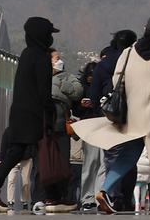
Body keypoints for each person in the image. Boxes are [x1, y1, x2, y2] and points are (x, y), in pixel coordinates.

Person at [73, 15, 150, 214]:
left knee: (126, 157)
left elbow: (116, 80)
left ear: (145, 30)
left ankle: (105, 190)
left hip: (133, 116)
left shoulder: (128, 53)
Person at [0, 17, 75, 214]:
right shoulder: (41, 57)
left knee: (15, 153)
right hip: (36, 115)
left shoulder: (25, 54)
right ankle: (54, 198)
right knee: (45, 154)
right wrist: (49, 113)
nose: (50, 38)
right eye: (49, 33)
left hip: (19, 114)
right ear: (42, 34)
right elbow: (43, 91)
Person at [85, 32, 138, 212]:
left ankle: (112, 195)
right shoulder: (135, 62)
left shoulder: (103, 64)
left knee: (110, 156)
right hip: (130, 116)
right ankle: (126, 198)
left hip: (108, 115)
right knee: (129, 156)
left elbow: (94, 93)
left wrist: (99, 112)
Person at [47, 51, 82, 207]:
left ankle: (61, 195)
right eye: (57, 58)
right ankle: (45, 196)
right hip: (45, 124)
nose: (59, 60)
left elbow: (78, 91)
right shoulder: (40, 74)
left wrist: (61, 85)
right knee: (46, 162)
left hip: (62, 124)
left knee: (63, 161)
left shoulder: (67, 76)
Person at [75, 60, 104, 212]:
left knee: (103, 163)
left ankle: (99, 196)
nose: (91, 79)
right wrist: (81, 106)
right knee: (90, 163)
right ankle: (87, 197)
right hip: (89, 126)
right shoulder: (81, 88)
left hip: (103, 125)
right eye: (89, 76)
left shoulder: (104, 85)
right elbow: (76, 111)